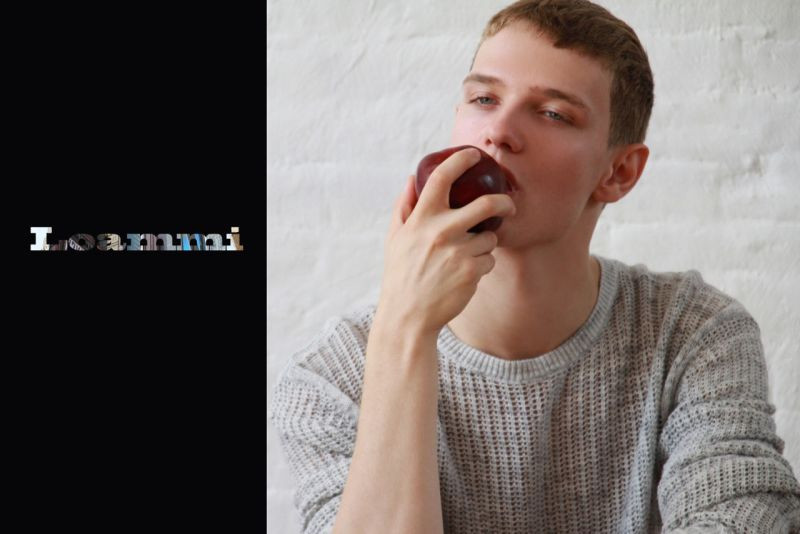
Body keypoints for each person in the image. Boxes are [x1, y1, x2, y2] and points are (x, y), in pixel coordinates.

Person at [268, 1, 800, 532]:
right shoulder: (330, 382)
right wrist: (404, 329)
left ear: (618, 172)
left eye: (552, 113)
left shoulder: (693, 335)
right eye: (484, 98)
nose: (498, 131)